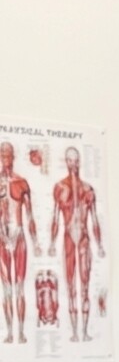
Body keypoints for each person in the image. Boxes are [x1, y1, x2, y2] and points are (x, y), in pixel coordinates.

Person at [49, 146, 105, 342]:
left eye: (76, 161)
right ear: (66, 162)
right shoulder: (60, 188)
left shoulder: (88, 190)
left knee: (84, 286)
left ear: (80, 162)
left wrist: (99, 245)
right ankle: (74, 332)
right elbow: (56, 218)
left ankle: (85, 332)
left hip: (83, 240)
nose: (73, 165)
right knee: (71, 286)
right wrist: (51, 243)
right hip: (68, 241)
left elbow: (95, 220)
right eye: (70, 161)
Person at [0, 140, 40, 344]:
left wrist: (36, 242)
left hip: (20, 235)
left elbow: (30, 216)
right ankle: (8, 332)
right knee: (6, 287)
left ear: (13, 157)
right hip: (1, 238)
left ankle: (22, 332)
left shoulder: (22, 183)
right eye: (2, 155)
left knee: (19, 286)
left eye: (8, 155)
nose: (6, 158)